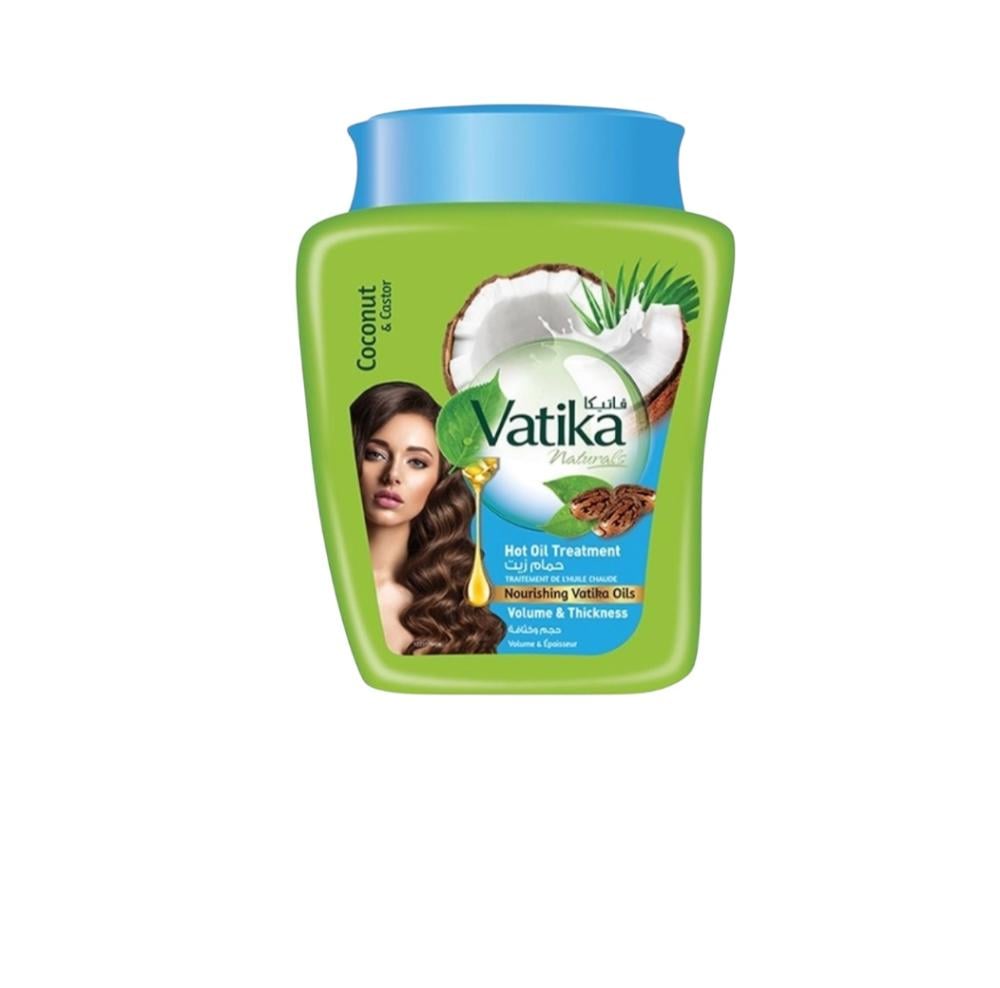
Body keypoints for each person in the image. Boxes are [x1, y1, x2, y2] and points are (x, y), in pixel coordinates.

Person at [350, 381, 506, 654]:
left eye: (417, 462)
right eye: (375, 454)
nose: (392, 475)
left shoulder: (451, 604)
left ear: (438, 481)